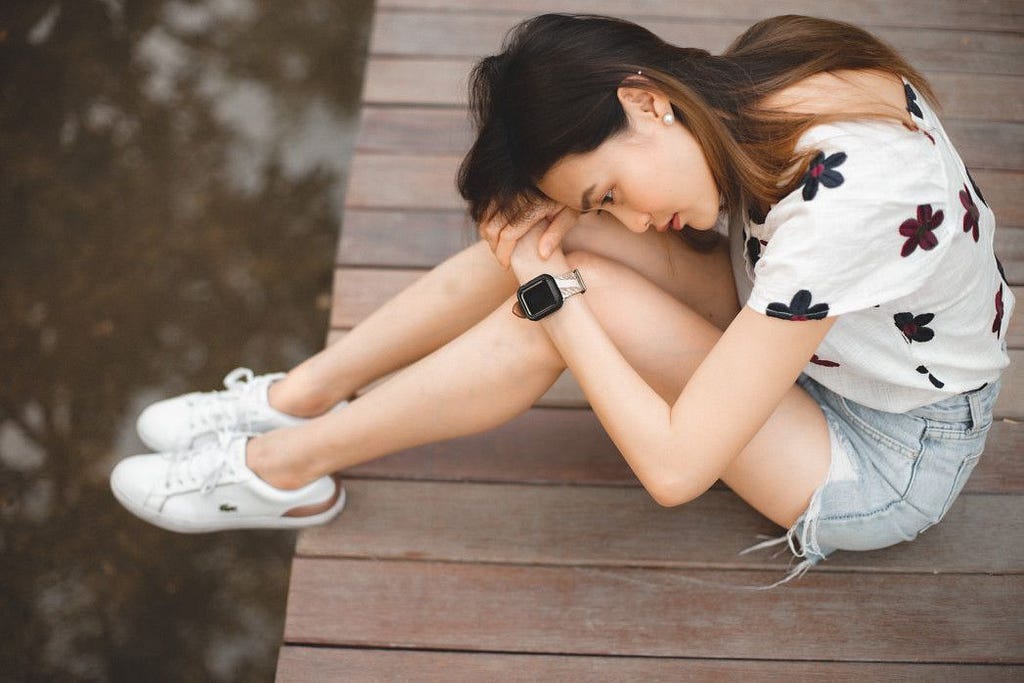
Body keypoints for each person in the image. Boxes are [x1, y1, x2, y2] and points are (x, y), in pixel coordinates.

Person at [110, 14, 1013, 582]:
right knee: (554, 236)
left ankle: (284, 470)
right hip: (826, 335)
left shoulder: (841, 206)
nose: (636, 219)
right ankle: (294, 396)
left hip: (885, 452)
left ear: (644, 99)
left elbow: (673, 470)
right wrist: (566, 252)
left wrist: (558, 304)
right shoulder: (762, 77)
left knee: (574, 297)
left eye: (613, 189)